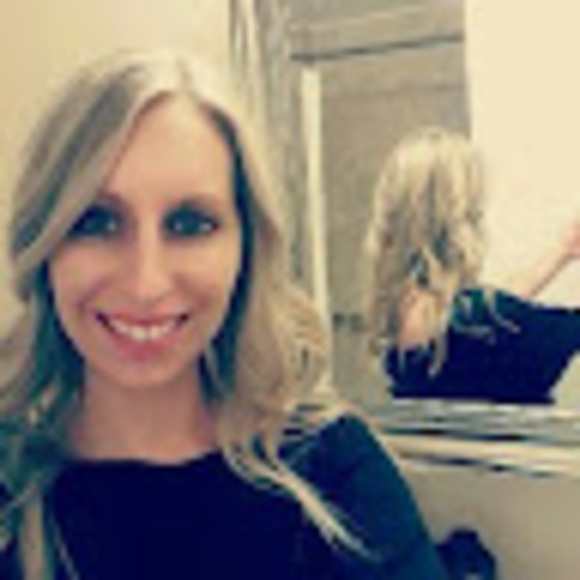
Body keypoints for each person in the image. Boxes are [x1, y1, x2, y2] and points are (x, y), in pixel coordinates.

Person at [0, 49, 446, 579]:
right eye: (96, 221)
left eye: (189, 224)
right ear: (45, 244)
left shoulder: (335, 471)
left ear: (246, 249)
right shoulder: (11, 487)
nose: (146, 284)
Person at [363, 126, 580, 404]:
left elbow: (493, 309)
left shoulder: (399, 310)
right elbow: (500, 313)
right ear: (463, 216)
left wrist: (562, 251)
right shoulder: (482, 320)